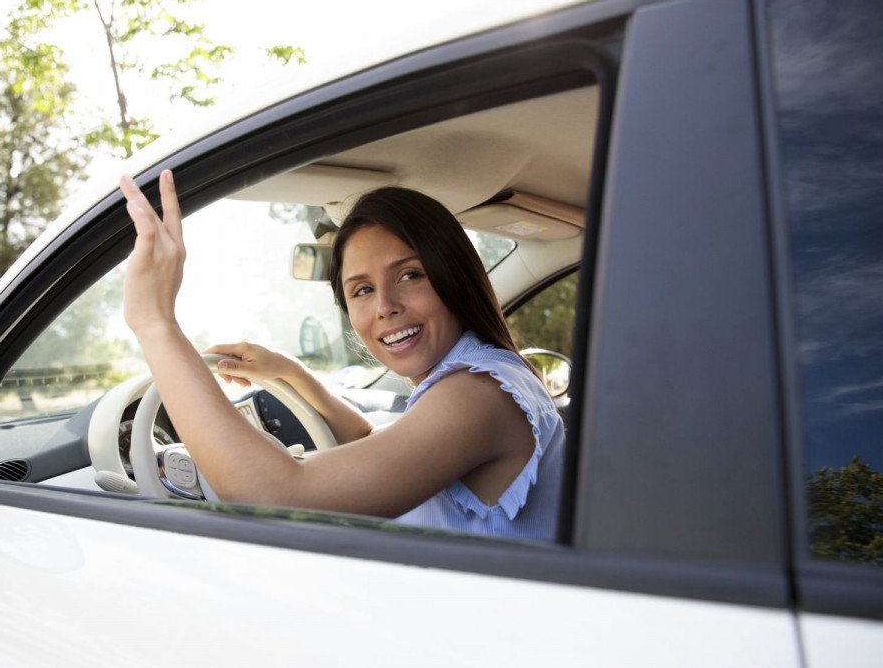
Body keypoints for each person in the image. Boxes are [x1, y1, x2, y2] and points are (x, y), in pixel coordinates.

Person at [120, 171, 566, 540]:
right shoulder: (476, 380)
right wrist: (289, 373)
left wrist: (155, 324)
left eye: (410, 275)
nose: (384, 306)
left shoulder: (477, 393)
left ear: (454, 277)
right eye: (362, 290)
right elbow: (376, 448)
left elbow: (278, 498)